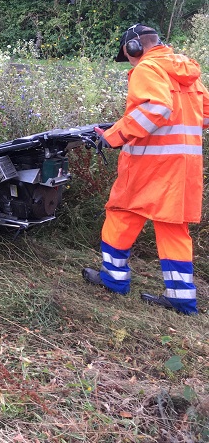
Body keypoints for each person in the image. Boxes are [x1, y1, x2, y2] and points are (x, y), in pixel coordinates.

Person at [82, 24, 209, 315]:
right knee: (173, 227)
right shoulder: (186, 72)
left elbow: (157, 109)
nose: (130, 61)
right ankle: (181, 299)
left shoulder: (147, 68)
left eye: (127, 55)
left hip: (148, 166)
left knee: (121, 213)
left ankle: (113, 280)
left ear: (134, 47)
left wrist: (114, 136)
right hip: (183, 169)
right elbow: (205, 116)